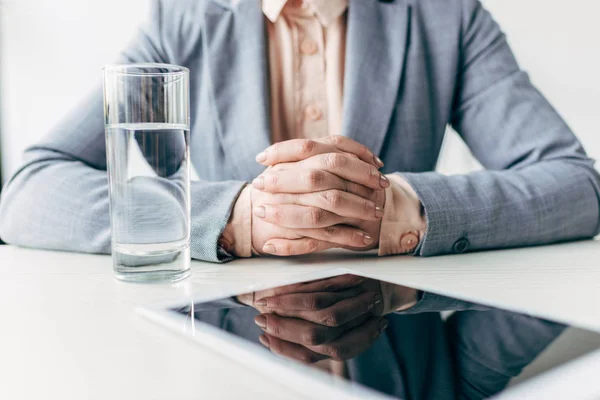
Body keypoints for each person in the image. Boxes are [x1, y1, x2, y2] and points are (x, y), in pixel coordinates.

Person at [0, 0, 593, 397]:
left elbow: (575, 183)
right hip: (228, 355)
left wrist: (404, 211)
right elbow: (31, 190)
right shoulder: (184, 16)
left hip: (403, 339)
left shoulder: (446, 15)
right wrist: (230, 217)